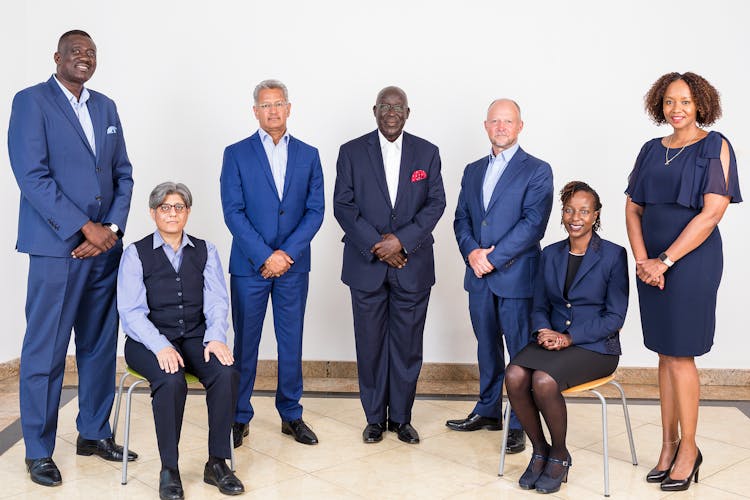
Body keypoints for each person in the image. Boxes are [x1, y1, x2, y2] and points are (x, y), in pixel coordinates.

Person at [7, 29, 136, 487]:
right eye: (76, 52)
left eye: (92, 53)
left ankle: (94, 432)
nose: (85, 58)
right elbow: (32, 175)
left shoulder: (105, 106)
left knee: (100, 346)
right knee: (46, 350)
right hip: (56, 248)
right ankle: (39, 449)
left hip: (105, 250)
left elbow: (123, 173)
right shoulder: (31, 102)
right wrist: (86, 228)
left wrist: (112, 231)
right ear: (57, 57)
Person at [625, 72, 741, 492]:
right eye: (670, 101)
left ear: (701, 104)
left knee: (681, 355)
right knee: (662, 353)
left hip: (691, 260)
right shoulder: (650, 150)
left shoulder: (716, 146)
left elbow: (712, 212)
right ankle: (668, 444)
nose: (677, 109)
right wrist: (643, 260)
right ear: (660, 105)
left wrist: (666, 260)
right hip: (650, 263)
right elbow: (633, 207)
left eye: (687, 102)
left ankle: (689, 449)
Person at [334, 86, 446, 444]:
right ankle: (373, 418)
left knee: (407, 346)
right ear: (375, 111)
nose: (391, 112)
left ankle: (401, 417)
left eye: (398, 107)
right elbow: (343, 206)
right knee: (369, 345)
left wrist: (401, 240)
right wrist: (378, 245)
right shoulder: (351, 152)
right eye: (385, 106)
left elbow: (435, 203)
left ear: (408, 113)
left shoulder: (427, 153)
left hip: (411, 265)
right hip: (366, 265)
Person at [117, 183, 244, 499]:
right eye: (164, 207)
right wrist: (160, 345)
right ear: (153, 213)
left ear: (187, 212)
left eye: (178, 207)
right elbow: (130, 312)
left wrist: (215, 338)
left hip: (195, 336)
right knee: (172, 380)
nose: (172, 213)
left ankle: (217, 463)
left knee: (226, 372)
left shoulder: (206, 250)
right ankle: (169, 469)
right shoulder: (135, 253)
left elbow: (216, 301)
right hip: (147, 341)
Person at [505, 181, 629, 494]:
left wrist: (569, 337)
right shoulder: (550, 253)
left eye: (584, 211)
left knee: (544, 381)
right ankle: (539, 449)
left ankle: (559, 454)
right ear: (562, 214)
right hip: (552, 340)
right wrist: (544, 331)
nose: (576, 216)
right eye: (570, 209)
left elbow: (615, 318)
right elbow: (540, 305)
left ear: (595, 215)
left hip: (596, 347)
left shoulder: (614, 255)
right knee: (515, 374)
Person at [220, 79, 324, 447]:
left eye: (279, 103)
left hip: (294, 267)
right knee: (246, 342)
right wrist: (266, 255)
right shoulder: (236, 153)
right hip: (250, 267)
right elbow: (232, 212)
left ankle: (291, 414)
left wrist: (285, 255)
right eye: (265, 105)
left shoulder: (309, 155)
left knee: (290, 342)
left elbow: (315, 212)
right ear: (255, 111)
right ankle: (238, 416)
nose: (273, 110)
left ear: (289, 108)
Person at [450, 99, 553, 454]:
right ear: (486, 126)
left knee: (520, 352)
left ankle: (522, 421)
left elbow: (533, 225)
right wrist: (471, 253)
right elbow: (461, 218)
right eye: (495, 121)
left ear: (520, 126)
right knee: (486, 346)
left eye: (508, 121)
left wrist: (493, 258)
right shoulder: (472, 170)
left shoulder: (537, 170)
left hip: (516, 276)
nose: (501, 127)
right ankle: (488, 410)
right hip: (478, 276)